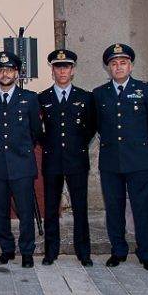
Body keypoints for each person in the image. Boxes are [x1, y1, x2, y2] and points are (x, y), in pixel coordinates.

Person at [93, 43, 148, 271]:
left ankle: (146, 252)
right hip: (111, 160)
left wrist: (141, 147)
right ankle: (118, 250)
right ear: (108, 67)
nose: (118, 67)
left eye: (123, 63)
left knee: (142, 207)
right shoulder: (99, 94)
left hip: (138, 160)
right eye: (113, 63)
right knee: (114, 208)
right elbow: (99, 126)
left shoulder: (146, 90)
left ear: (130, 66)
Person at [37, 49, 96, 267]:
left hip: (76, 160)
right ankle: (51, 251)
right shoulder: (42, 98)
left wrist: (78, 144)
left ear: (73, 70)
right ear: (52, 71)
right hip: (52, 160)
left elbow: (91, 126)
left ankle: (84, 252)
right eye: (58, 67)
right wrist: (48, 144)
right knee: (51, 208)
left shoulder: (85, 97)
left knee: (80, 207)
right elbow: (37, 129)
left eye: (66, 67)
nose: (62, 71)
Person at [0, 51, 42, 268]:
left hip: (22, 165)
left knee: (25, 210)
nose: (5, 73)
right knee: (0, 211)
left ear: (17, 73)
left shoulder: (29, 99)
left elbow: (36, 130)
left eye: (9, 70)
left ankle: (27, 251)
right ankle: (6, 248)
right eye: (1, 70)